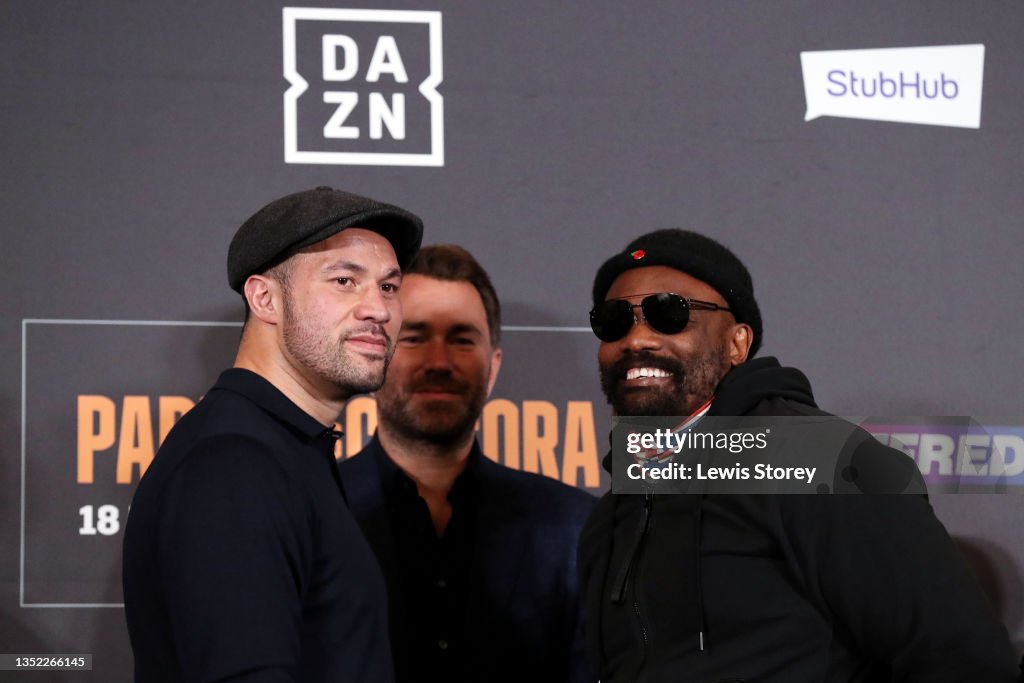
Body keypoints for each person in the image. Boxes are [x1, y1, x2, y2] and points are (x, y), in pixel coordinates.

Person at [577, 229, 1022, 682]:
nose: (636, 340)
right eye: (614, 321)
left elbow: (965, 662)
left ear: (737, 343)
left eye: (668, 313)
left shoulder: (822, 462)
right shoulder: (613, 514)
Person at [122, 186, 423, 682]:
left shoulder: (286, 449)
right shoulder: (235, 464)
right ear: (265, 298)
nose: (379, 309)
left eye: (389, 287)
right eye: (345, 280)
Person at [339, 244, 596, 683]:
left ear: (492, 368)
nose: (438, 362)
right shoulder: (312, 508)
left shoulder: (576, 527)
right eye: (414, 337)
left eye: (461, 339)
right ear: (374, 355)